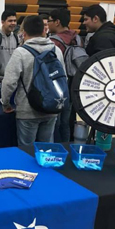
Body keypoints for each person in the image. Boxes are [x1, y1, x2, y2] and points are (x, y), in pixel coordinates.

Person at [0, 15, 65, 147]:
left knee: (26, 151)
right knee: (47, 150)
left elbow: (9, 82)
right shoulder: (56, 50)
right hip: (52, 107)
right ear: (44, 31)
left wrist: (5, 103)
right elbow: (63, 78)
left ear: (23, 34)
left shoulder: (20, 53)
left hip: (27, 111)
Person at [47, 8, 81, 143]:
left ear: (57, 22)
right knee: (66, 122)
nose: (48, 24)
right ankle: (66, 146)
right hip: (73, 85)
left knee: (55, 122)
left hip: (58, 87)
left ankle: (55, 149)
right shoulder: (77, 37)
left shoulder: (54, 42)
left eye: (49, 21)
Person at [0, 10, 19, 81]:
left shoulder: (15, 37)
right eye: (10, 21)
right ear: (3, 22)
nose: (13, 23)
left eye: (15, 21)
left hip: (11, 80)